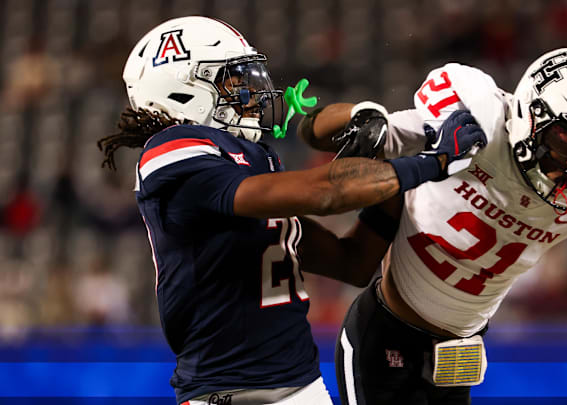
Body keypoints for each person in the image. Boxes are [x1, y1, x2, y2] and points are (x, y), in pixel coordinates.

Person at [96, 16, 485, 405]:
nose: (250, 92)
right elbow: (326, 192)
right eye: (233, 80)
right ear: (182, 89)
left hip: (303, 386)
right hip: (227, 393)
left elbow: (352, 262)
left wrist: (389, 166)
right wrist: (430, 163)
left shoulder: (252, 162)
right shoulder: (172, 150)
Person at [298, 48, 567, 405]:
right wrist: (361, 116)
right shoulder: (474, 122)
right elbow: (314, 130)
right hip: (387, 334)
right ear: (530, 111)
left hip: (461, 353)